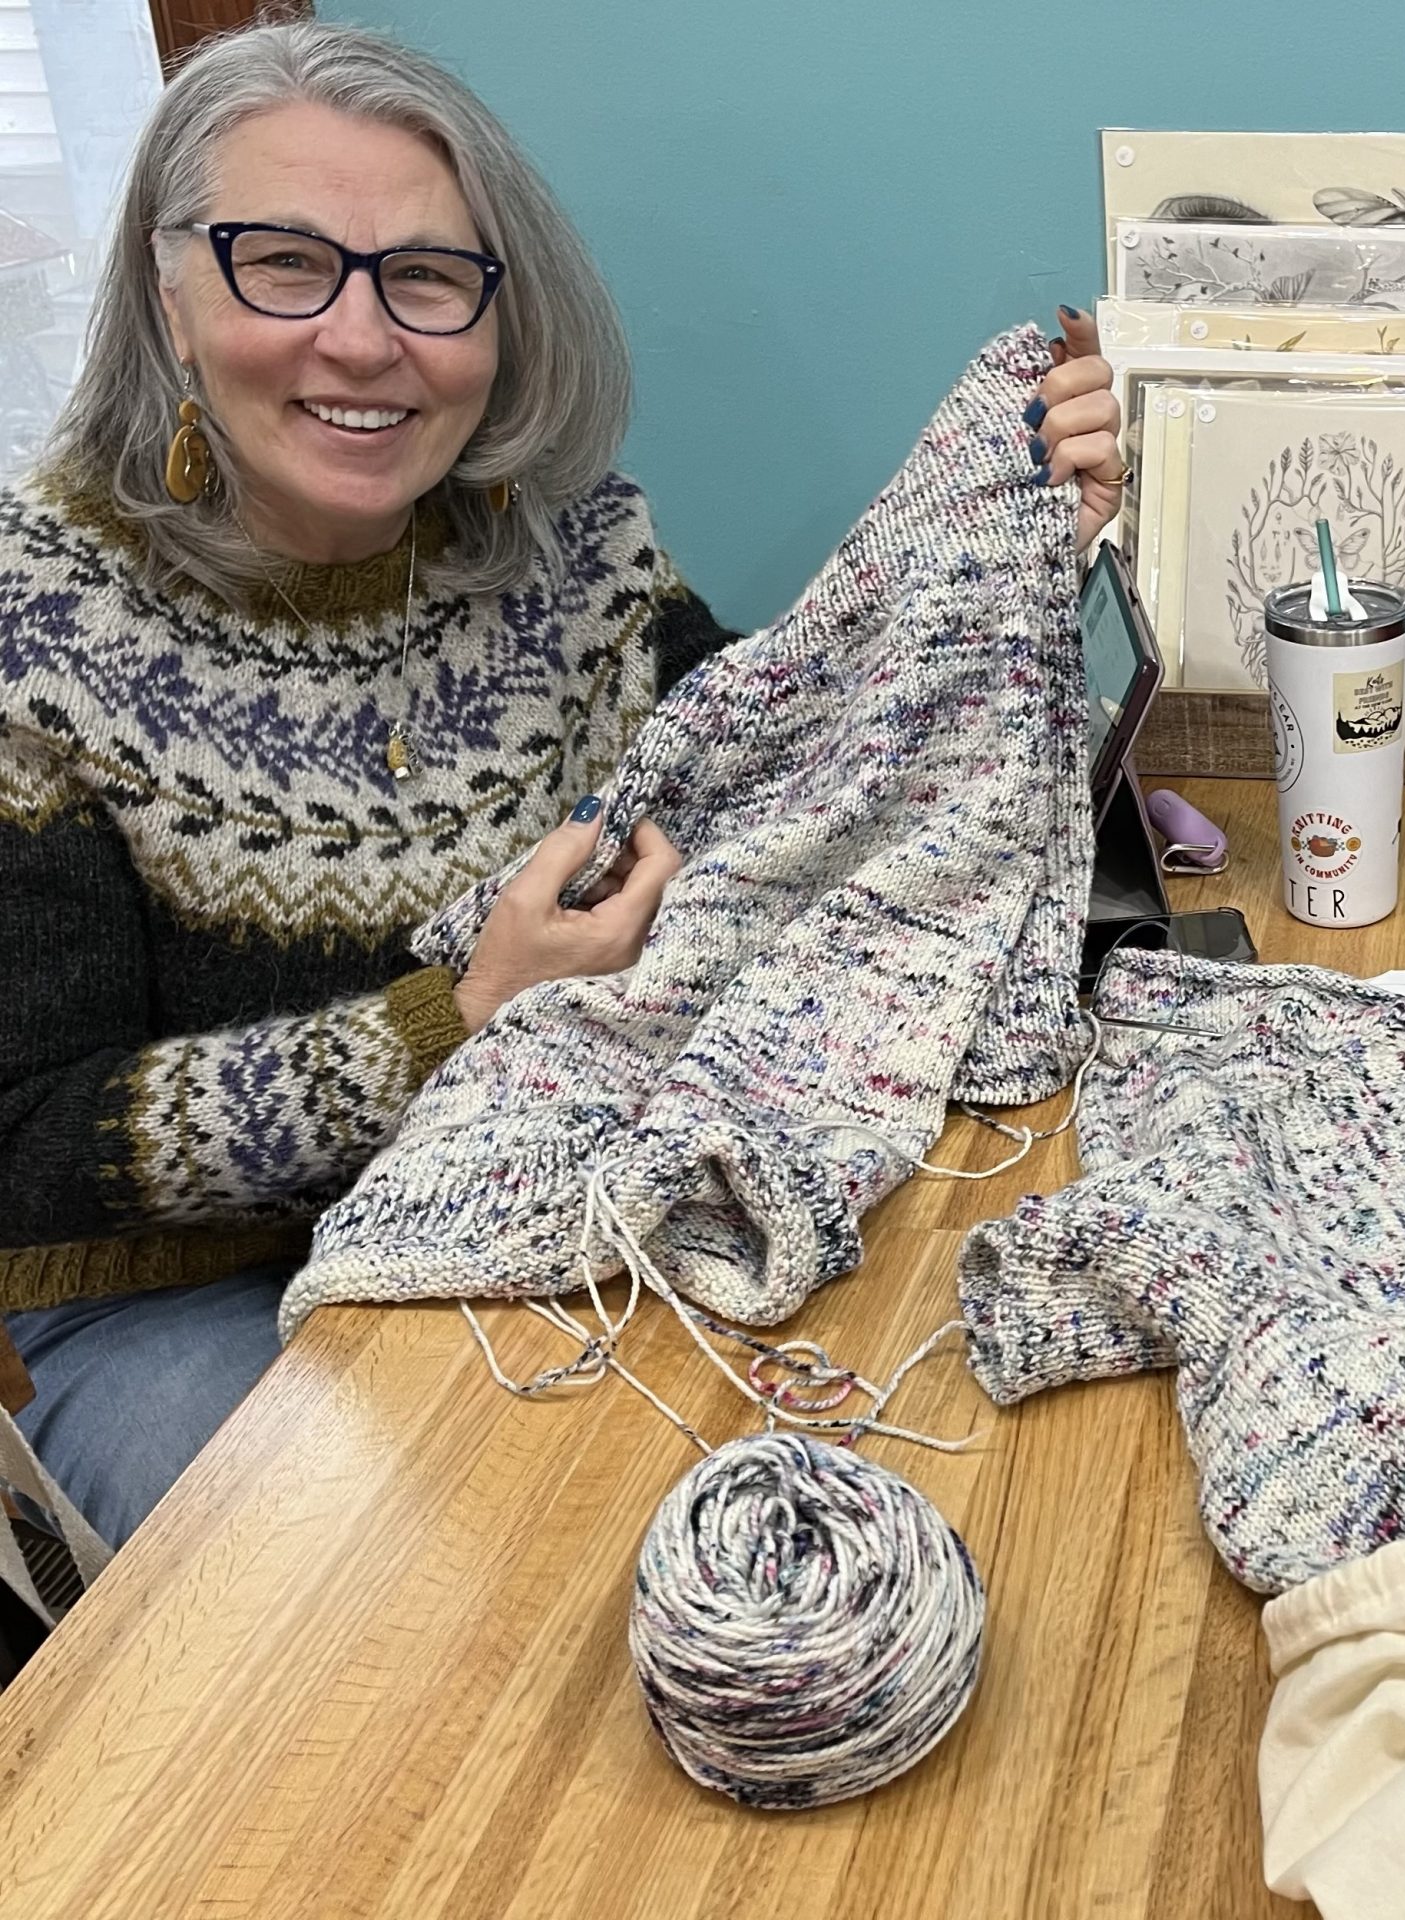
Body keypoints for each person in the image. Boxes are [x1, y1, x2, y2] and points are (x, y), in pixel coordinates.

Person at [0, 19, 1123, 1550]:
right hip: (182, 1303)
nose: (362, 336)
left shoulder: (571, 546)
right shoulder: (34, 626)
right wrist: (454, 1020)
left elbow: (781, 767)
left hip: (565, 1178)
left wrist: (998, 569)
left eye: (426, 276)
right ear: (167, 292)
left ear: (494, 308)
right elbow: (27, 1146)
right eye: (282, 260)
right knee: (420, 1595)